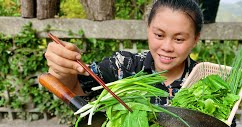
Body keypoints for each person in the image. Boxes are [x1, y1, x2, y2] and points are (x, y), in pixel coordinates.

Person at [45, 0, 203, 105]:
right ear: (148, 29)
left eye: (179, 39)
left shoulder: (205, 82)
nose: (167, 47)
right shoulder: (123, 65)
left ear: (195, 39)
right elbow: (76, 89)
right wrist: (64, 71)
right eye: (159, 35)